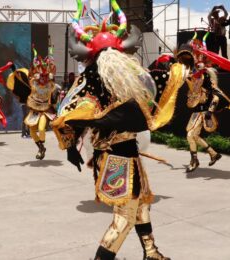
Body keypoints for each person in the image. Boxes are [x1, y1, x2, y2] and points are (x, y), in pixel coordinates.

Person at [51, 1, 190, 259]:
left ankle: (151, 251)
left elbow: (154, 80)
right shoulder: (91, 79)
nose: (112, 57)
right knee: (123, 218)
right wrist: (71, 146)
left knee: (142, 204)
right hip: (114, 155)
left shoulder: (129, 75)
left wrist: (177, 69)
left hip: (129, 151)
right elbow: (69, 112)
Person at [183, 39, 230, 172]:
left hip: (203, 112)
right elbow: (192, 94)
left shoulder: (206, 77)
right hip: (196, 111)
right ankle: (213, 154)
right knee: (193, 136)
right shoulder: (192, 75)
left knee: (190, 136)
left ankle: (194, 160)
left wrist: (210, 111)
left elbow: (215, 95)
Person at [7, 46, 60, 160]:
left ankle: (41, 146)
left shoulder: (50, 85)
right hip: (34, 110)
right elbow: (21, 80)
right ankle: (41, 148)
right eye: (41, 75)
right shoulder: (33, 83)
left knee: (41, 129)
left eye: (45, 75)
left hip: (44, 111)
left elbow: (54, 88)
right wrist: (13, 69)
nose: (43, 77)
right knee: (31, 132)